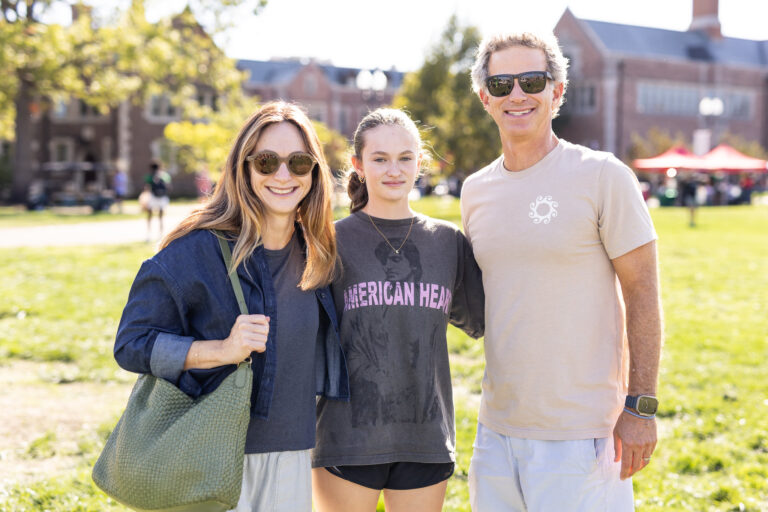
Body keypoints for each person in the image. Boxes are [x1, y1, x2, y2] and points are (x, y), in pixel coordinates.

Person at [113, 101, 349, 512]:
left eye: (298, 162)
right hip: (216, 454)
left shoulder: (319, 252)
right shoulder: (198, 250)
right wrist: (221, 350)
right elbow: (131, 343)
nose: (282, 175)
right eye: (266, 161)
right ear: (243, 168)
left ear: (313, 171)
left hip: (295, 454)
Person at [460, 31, 663, 511]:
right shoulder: (474, 191)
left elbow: (643, 295)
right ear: (484, 96)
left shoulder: (603, 175)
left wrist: (640, 408)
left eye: (532, 80)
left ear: (558, 91)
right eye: (503, 83)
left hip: (584, 437)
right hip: (495, 432)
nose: (517, 94)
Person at [312, 108, 485, 512]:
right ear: (358, 165)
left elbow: (489, 319)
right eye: (379, 158)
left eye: (405, 157)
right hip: (346, 438)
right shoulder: (331, 240)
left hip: (425, 436)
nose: (394, 170)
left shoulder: (448, 243)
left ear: (420, 162)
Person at [143, 160, 171, 240]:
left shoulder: (149, 176)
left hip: (153, 197)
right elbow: (169, 187)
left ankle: (149, 234)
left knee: (150, 215)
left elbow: (146, 187)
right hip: (162, 197)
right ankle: (161, 234)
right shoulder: (164, 175)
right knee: (161, 216)